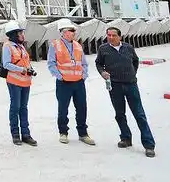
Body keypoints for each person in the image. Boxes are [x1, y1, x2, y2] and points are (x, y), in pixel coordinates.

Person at [95, 27, 156, 158]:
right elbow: (98, 63)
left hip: (131, 85)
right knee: (120, 114)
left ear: (120, 37)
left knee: (139, 114)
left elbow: (135, 61)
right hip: (115, 86)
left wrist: (132, 73)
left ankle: (149, 145)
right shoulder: (103, 49)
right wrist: (102, 72)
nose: (110, 37)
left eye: (113, 35)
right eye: (108, 35)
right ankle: (126, 138)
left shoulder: (128, 48)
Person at [47, 19, 95, 145]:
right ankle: (63, 132)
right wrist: (59, 76)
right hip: (64, 83)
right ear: (63, 32)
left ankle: (83, 134)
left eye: (74, 30)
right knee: (63, 109)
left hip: (79, 82)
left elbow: (84, 63)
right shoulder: (55, 45)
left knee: (82, 108)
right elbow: (51, 63)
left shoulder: (78, 45)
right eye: (71, 30)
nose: (74, 32)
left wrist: (84, 75)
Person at [1, 21, 38, 146]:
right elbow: (6, 64)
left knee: (23, 108)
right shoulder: (8, 46)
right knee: (15, 107)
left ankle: (26, 135)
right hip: (14, 82)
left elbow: (25, 62)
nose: (23, 35)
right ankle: (15, 135)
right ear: (14, 34)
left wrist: (30, 69)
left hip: (26, 82)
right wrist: (22, 70)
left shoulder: (21, 47)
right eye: (20, 33)